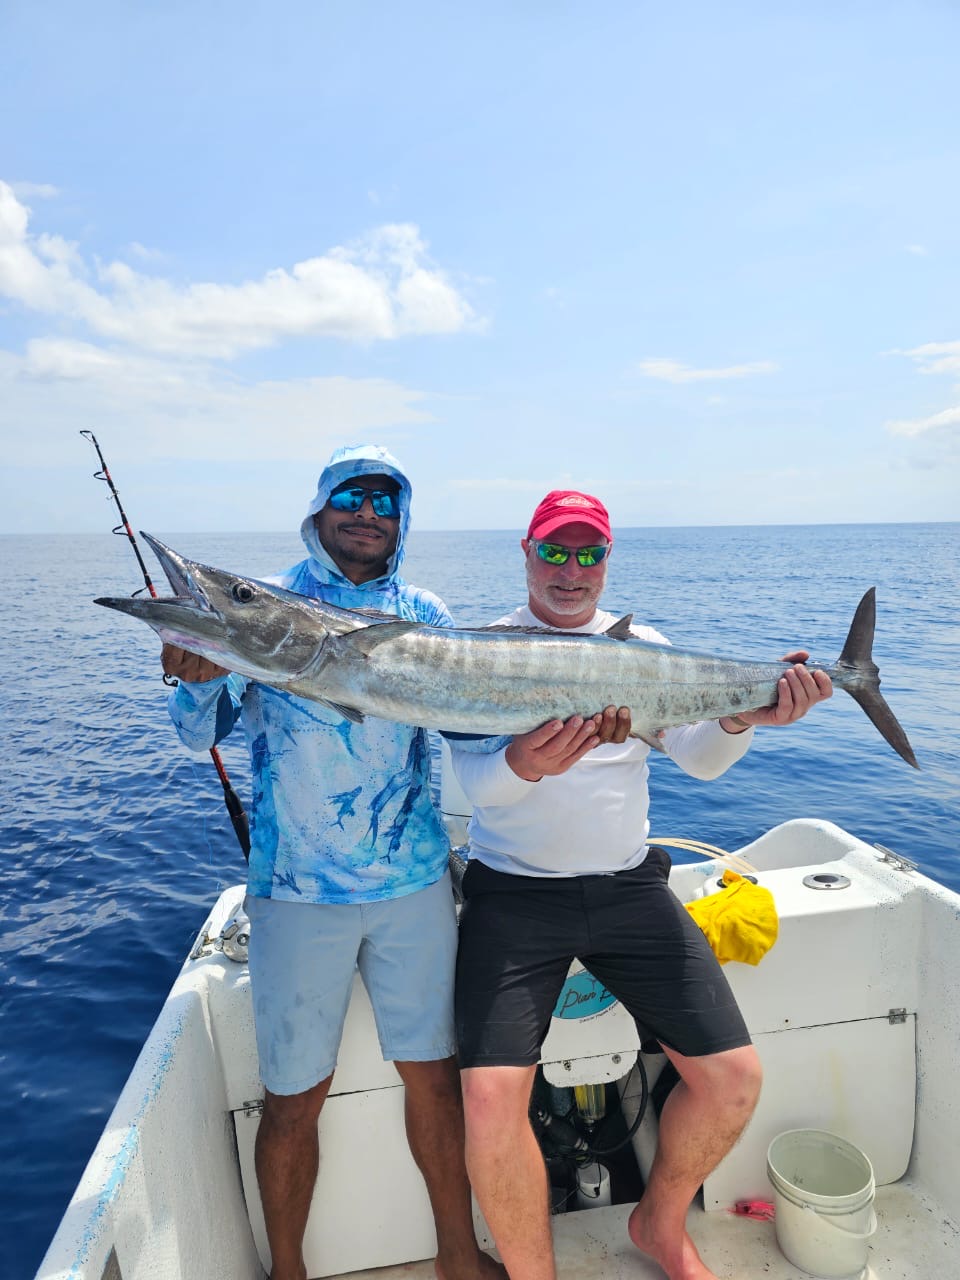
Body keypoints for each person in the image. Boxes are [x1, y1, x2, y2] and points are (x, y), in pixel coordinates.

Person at [448, 489, 833, 1280]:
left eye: (589, 554)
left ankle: (658, 1225)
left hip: (629, 888)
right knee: (489, 1100)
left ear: (608, 563)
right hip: (513, 894)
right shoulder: (478, 649)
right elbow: (463, 790)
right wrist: (527, 764)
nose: (571, 569)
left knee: (732, 1080)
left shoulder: (642, 647)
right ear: (525, 552)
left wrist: (742, 719)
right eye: (555, 551)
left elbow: (698, 757)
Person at [162, 445, 503, 1280]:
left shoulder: (423, 608)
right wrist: (197, 679)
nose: (367, 512)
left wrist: (569, 719)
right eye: (350, 495)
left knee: (435, 1079)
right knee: (292, 1099)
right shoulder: (270, 606)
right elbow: (196, 736)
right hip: (294, 891)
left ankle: (457, 1256)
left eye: (386, 500)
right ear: (319, 510)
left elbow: (469, 724)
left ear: (402, 520)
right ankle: (288, 1272)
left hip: (414, 884)